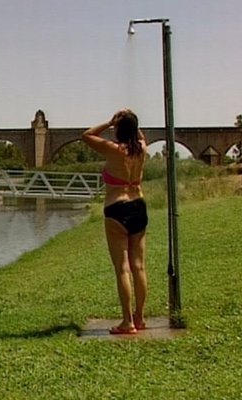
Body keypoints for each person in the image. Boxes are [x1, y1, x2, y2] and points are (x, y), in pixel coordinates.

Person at [82, 109, 148, 334]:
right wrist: (131, 120)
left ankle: (127, 322)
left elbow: (87, 135)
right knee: (139, 266)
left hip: (116, 208)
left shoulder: (114, 150)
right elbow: (140, 137)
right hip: (138, 205)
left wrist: (110, 122)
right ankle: (139, 318)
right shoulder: (142, 149)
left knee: (122, 269)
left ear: (119, 129)